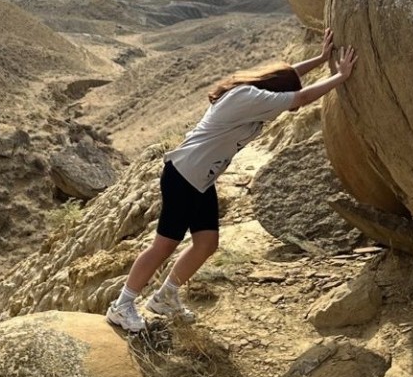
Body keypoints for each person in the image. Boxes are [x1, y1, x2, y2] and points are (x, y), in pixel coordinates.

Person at [106, 29, 358, 332]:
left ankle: (166, 297)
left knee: (206, 243)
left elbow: (287, 79)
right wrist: (341, 76)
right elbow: (301, 97)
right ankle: (121, 305)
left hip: (200, 178)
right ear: (274, 91)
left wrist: (319, 58)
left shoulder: (254, 92)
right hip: (184, 174)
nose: (285, 106)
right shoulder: (249, 98)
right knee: (165, 244)